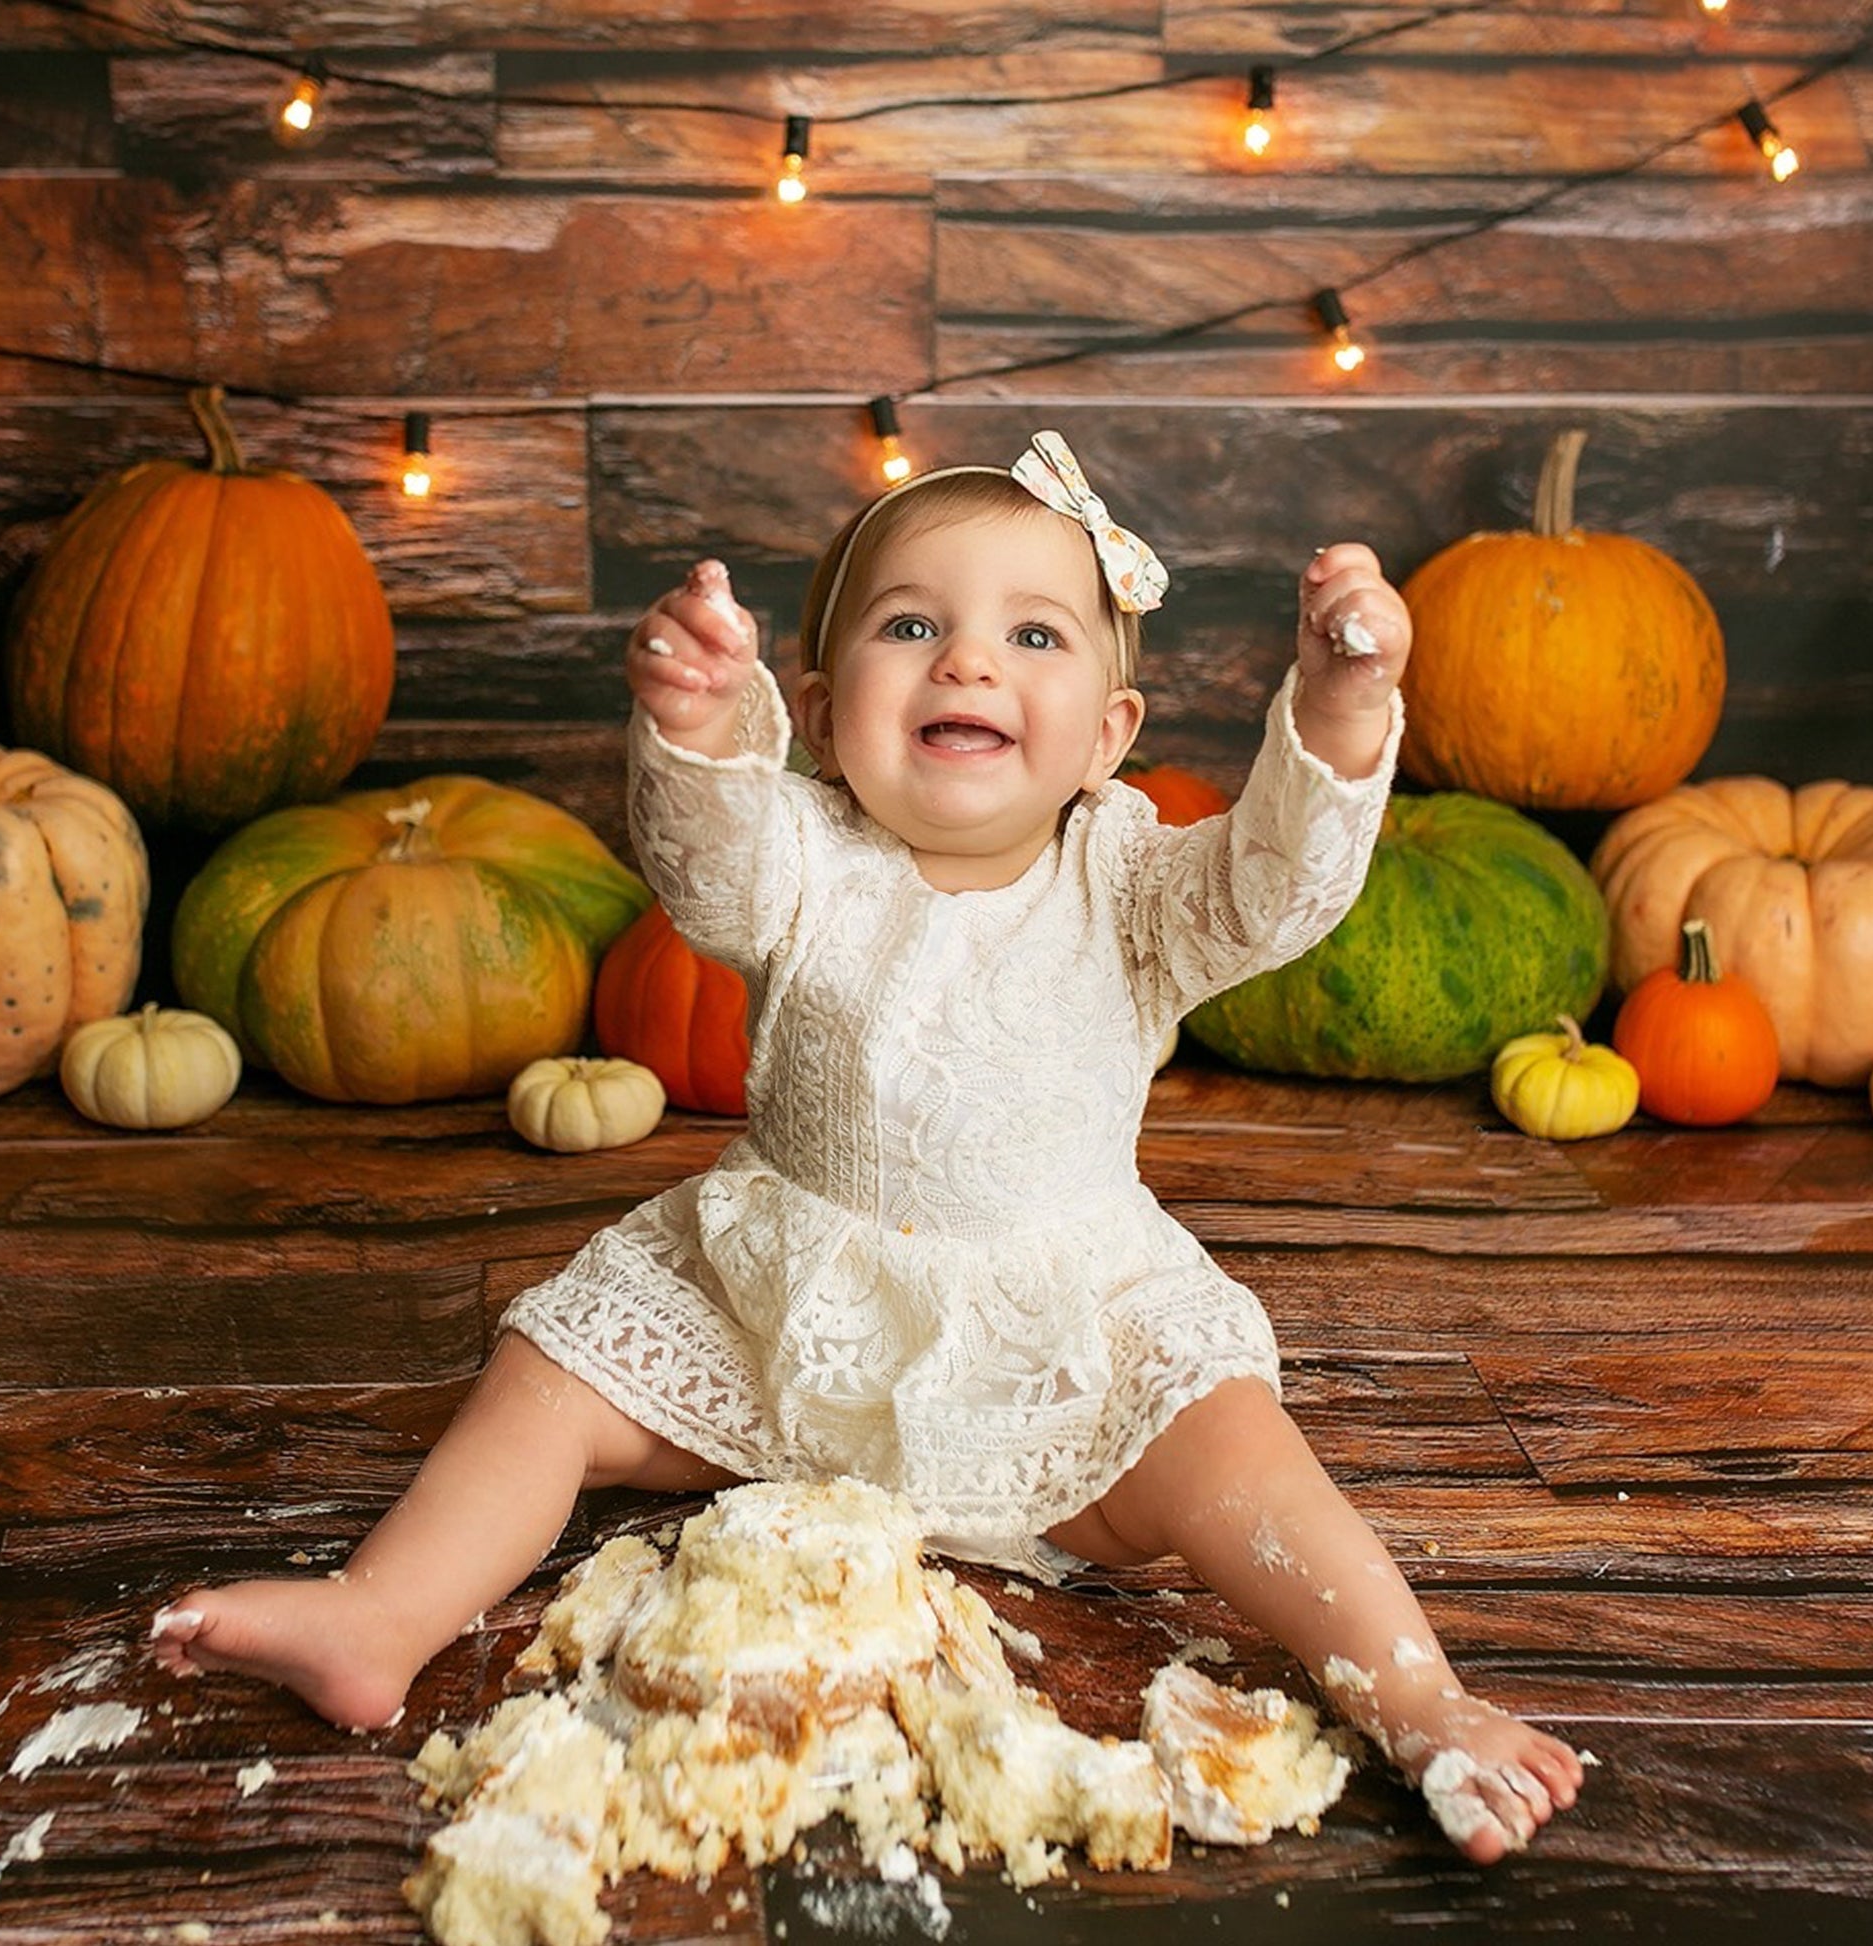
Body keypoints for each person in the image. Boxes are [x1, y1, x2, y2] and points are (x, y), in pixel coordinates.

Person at [153, 432, 1582, 1862]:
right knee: (553, 1368)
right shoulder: (802, 857)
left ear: (1105, 731)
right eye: (914, 625)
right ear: (826, 711)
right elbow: (705, 865)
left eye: (1031, 633)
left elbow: (1279, 884)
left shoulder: (1139, 882)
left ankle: (1419, 1700)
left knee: (1235, 1455)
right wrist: (704, 732)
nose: (966, 662)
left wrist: (1339, 705)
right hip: (779, 1318)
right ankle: (382, 1612)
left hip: (1061, 1336)